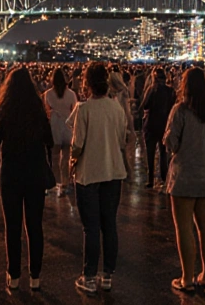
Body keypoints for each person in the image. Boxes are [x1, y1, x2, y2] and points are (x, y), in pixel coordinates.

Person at [0, 67, 53, 291]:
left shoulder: (3, 110)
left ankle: (14, 275)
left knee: (12, 226)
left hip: (11, 174)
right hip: (35, 173)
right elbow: (49, 139)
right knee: (35, 226)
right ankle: (35, 276)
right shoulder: (37, 109)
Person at [70, 62, 130, 294]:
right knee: (110, 225)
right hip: (113, 172)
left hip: (88, 174)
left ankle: (89, 276)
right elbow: (121, 140)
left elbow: (76, 145)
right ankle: (108, 276)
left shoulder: (83, 110)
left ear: (87, 83)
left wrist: (72, 161)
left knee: (91, 228)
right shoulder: (117, 109)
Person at [165, 67, 205, 295]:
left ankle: (186, 278)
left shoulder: (180, 110)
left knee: (184, 228)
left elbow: (171, 142)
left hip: (184, 177)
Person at [138, 68, 175, 189]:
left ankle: (150, 179)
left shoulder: (152, 90)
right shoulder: (170, 91)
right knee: (163, 153)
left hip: (151, 125)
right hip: (164, 125)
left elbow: (145, 106)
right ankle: (164, 178)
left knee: (150, 153)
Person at [44, 68, 77, 196]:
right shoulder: (71, 94)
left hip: (55, 127)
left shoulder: (48, 94)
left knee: (54, 157)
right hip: (67, 126)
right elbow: (74, 110)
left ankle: (55, 182)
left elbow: (47, 111)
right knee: (66, 157)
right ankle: (65, 182)